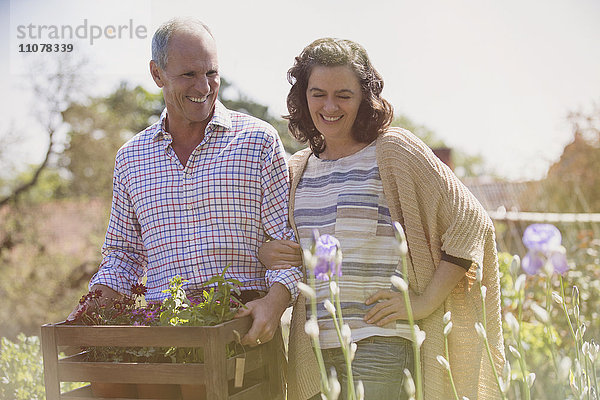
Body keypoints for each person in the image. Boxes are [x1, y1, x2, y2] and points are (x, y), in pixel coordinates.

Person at [259, 38, 505, 399]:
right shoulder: (296, 168)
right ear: (302, 96)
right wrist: (269, 254)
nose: (330, 106)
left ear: (364, 97)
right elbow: (290, 252)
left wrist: (424, 302)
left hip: (381, 343)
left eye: (343, 94)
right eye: (318, 93)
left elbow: (471, 221)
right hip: (314, 348)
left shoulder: (393, 151)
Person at [68, 17, 301, 348]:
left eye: (211, 73)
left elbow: (286, 244)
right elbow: (124, 255)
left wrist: (273, 304)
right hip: (164, 328)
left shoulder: (257, 140)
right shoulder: (131, 159)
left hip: (241, 322)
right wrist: (90, 309)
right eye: (189, 75)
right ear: (157, 74)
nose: (204, 87)